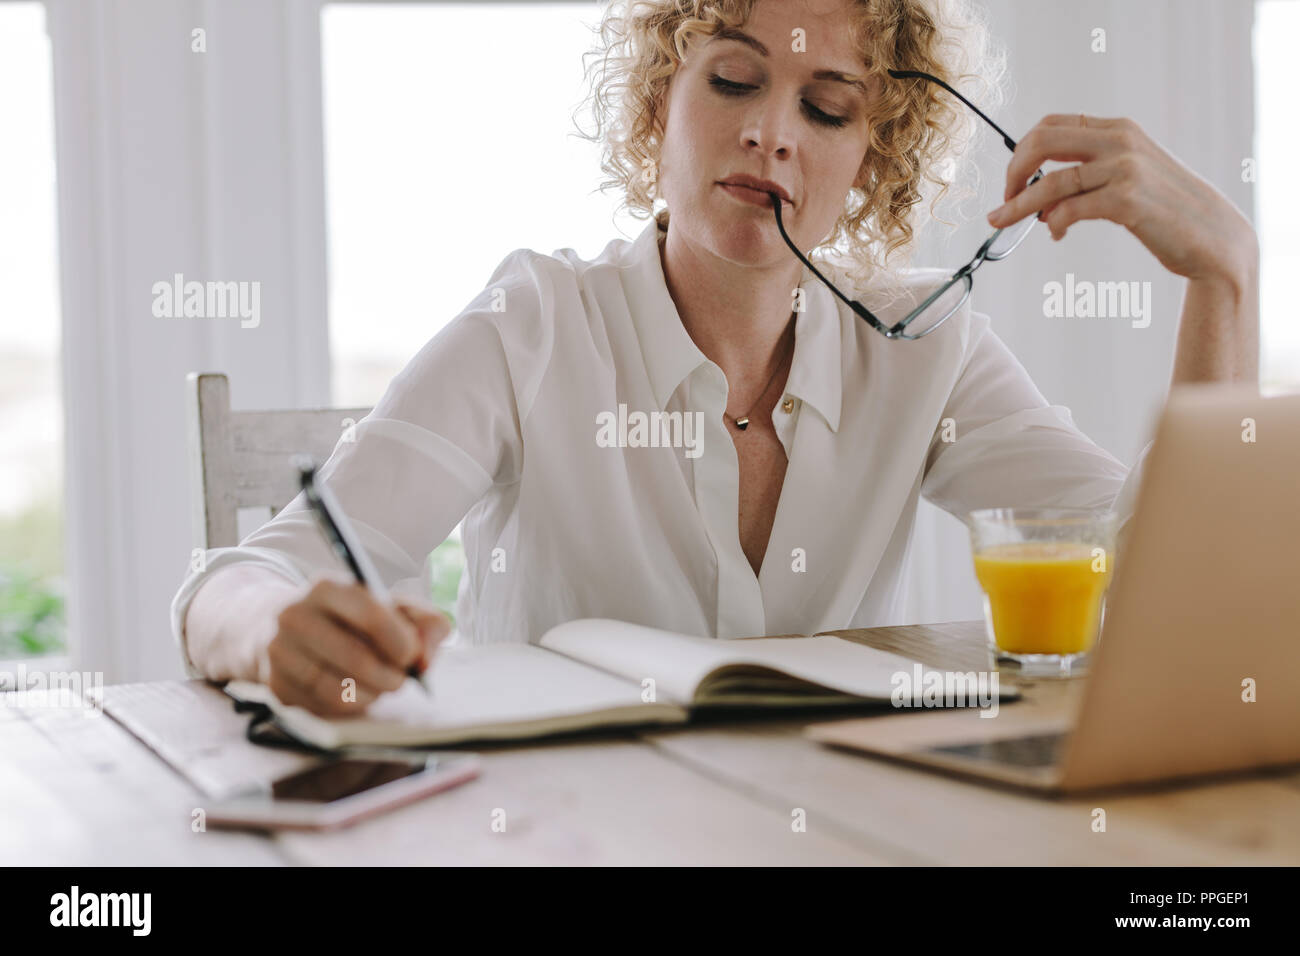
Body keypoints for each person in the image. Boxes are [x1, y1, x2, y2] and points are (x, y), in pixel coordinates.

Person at [171, 0, 1258, 717]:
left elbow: (1180, 588)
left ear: (868, 163)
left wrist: (1223, 278)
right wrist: (274, 630)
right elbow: (238, 582)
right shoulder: (532, 324)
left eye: (825, 108)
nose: (771, 135)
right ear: (657, 111)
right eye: (732, 84)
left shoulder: (928, 346)